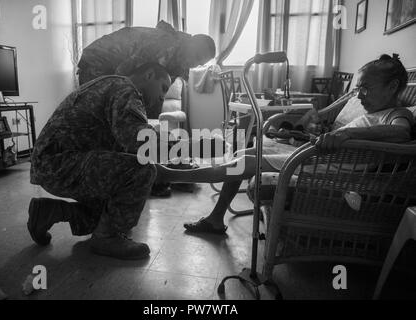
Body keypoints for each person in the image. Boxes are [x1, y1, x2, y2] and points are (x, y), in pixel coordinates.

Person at [154, 53, 414, 234]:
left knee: (244, 162)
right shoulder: (368, 109)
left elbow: (401, 135)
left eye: (366, 88)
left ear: (392, 87)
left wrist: (347, 135)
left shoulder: (397, 114)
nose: (360, 94)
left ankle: (169, 174)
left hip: (333, 170)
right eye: (358, 88)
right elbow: (329, 114)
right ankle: (214, 218)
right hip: (317, 157)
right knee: (246, 151)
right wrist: (320, 121)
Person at [28, 63, 174, 260]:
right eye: (163, 87)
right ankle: (107, 237)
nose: (163, 97)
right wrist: (193, 146)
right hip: (59, 165)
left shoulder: (113, 86)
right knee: (141, 171)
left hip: (54, 165)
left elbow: (129, 146)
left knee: (111, 212)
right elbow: (139, 142)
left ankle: (51, 212)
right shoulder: (125, 90)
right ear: (149, 74)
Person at [77, 20, 216, 85]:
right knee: (95, 113)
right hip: (99, 60)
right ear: (190, 41)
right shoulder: (166, 43)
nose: (194, 64)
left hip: (113, 68)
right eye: (197, 56)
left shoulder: (180, 63)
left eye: (199, 63)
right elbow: (125, 74)